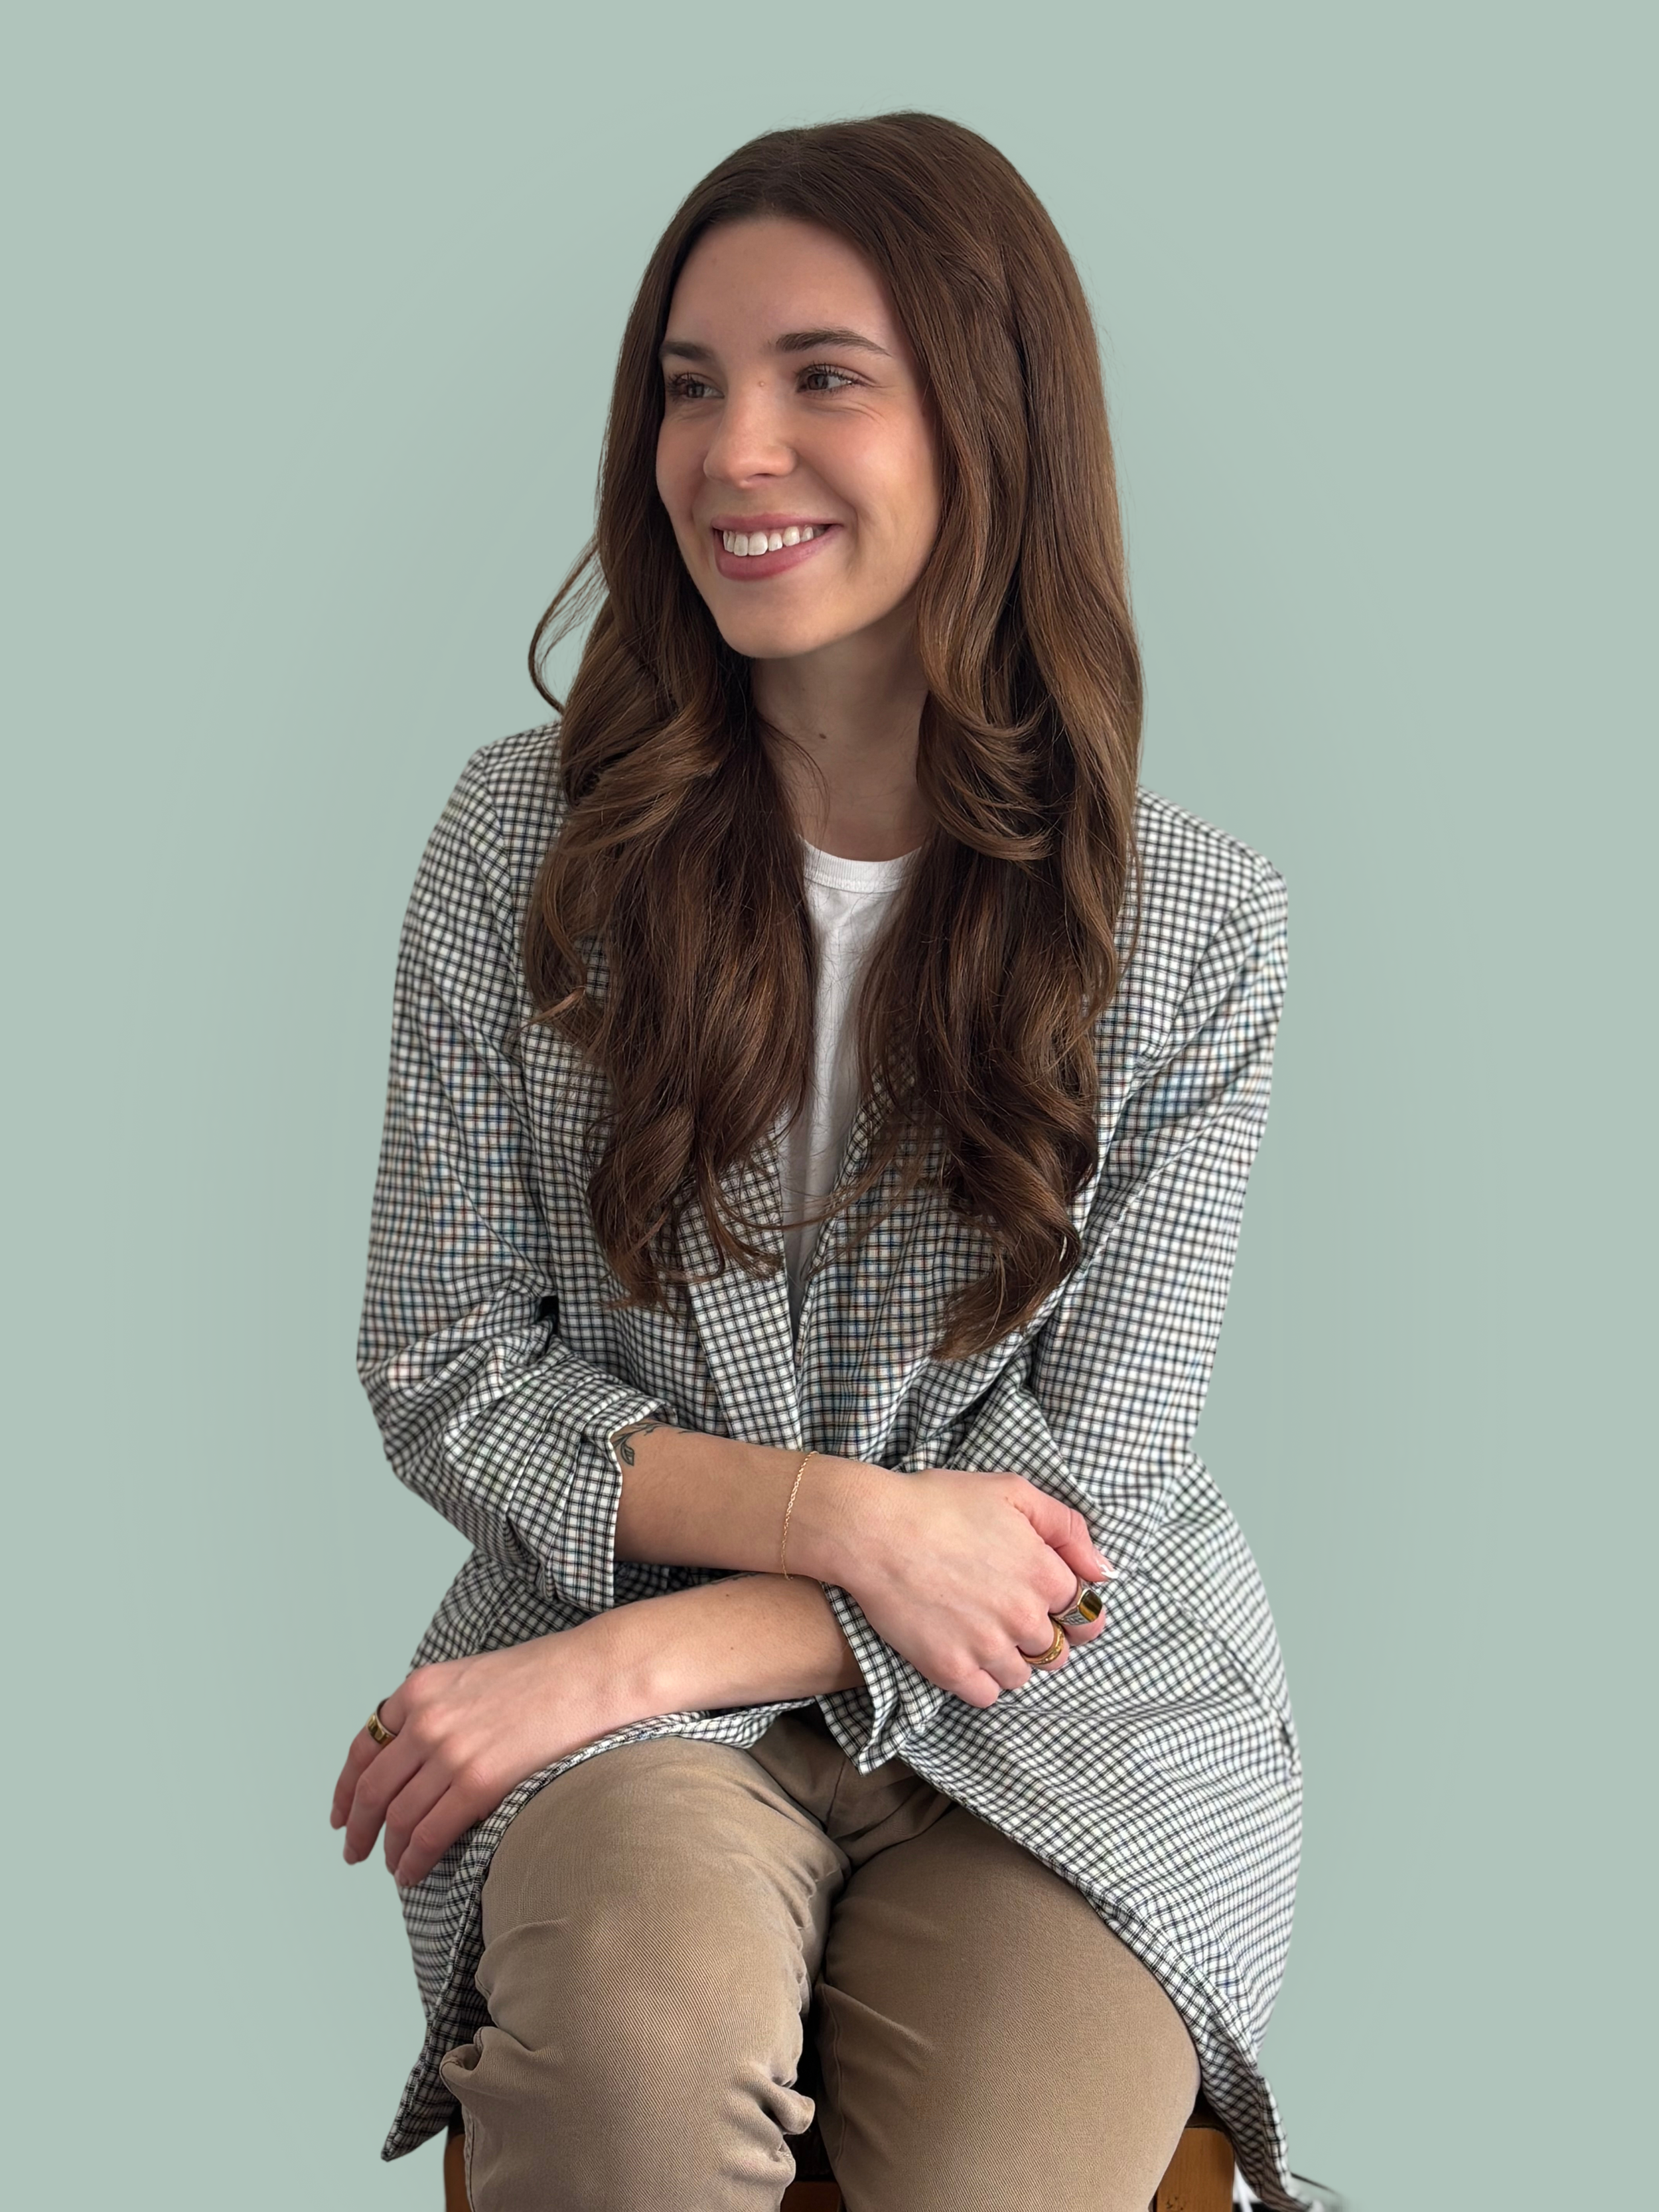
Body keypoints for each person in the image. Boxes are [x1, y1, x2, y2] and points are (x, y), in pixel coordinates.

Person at [330, 111, 1304, 2212]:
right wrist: (851, 1523)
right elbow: (439, 1360)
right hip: (641, 1730)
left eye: (819, 376)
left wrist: (630, 1648)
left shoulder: (1195, 932)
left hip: (1061, 1730)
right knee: (619, 2085)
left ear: (991, 424)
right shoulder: (524, 849)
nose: (729, 447)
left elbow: (1075, 1522)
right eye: (689, 386)